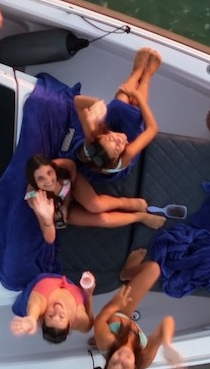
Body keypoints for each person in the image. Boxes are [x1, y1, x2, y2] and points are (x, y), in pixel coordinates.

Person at [92, 248, 186, 369]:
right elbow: (167, 321)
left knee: (152, 269)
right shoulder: (145, 359)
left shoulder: (107, 342)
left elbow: (99, 320)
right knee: (154, 269)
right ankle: (126, 274)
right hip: (127, 322)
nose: (121, 358)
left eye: (114, 362)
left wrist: (115, 305)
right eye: (125, 367)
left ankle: (127, 273)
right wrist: (167, 344)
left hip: (117, 311)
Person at [25, 154, 165, 246]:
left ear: (53, 168)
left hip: (71, 188)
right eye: (41, 179)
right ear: (35, 182)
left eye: (49, 173)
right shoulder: (38, 201)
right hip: (61, 210)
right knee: (103, 220)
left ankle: (128, 203)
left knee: (96, 205)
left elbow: (72, 166)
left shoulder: (60, 165)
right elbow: (49, 238)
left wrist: (69, 197)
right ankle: (139, 217)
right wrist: (48, 219)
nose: (48, 180)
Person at [73, 47, 161, 179]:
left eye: (111, 139)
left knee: (118, 106)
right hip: (118, 152)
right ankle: (146, 76)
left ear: (99, 136)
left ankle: (136, 72)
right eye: (117, 148)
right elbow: (152, 129)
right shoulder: (126, 154)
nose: (119, 139)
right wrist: (139, 97)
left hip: (100, 143)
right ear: (117, 157)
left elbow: (77, 102)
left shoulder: (92, 136)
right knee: (136, 110)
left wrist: (98, 103)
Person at [9, 270, 95, 343]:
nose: (57, 310)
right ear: (70, 323)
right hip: (60, 277)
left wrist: (32, 317)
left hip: (33, 285)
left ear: (43, 317)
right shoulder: (78, 317)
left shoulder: (41, 304)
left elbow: (34, 306)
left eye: (50, 316)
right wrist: (88, 294)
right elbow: (88, 327)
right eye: (61, 317)